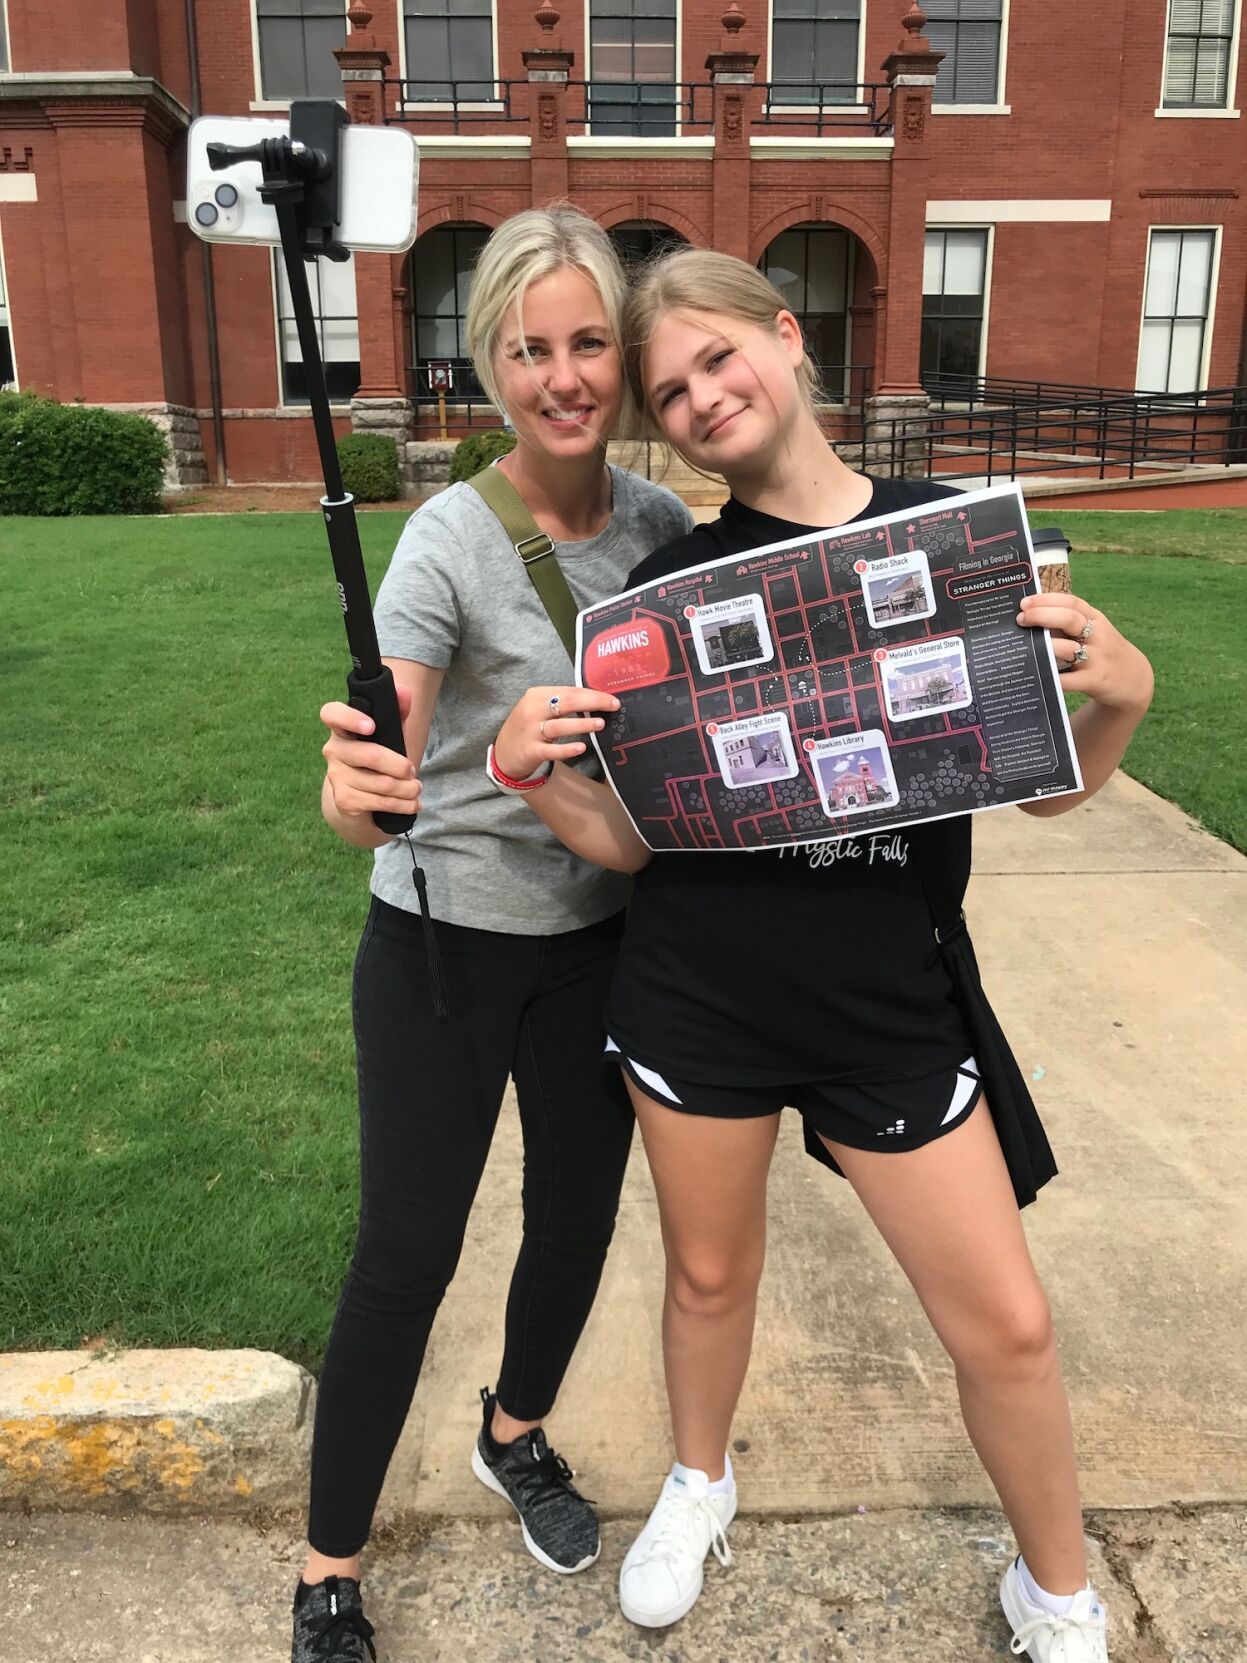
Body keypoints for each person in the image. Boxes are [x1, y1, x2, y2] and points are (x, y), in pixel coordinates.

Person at [492, 248, 1154, 1663]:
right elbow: (634, 843)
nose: (701, 398)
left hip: (887, 1002)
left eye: (717, 358)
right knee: (706, 1280)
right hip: (700, 1000)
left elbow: (1043, 787)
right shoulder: (665, 594)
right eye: (671, 392)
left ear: (787, 339)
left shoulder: (954, 539)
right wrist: (528, 773)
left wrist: (1123, 695)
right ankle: (700, 1481)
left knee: (1008, 1328)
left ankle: (1058, 1593)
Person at [290, 207, 692, 1663]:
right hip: (444, 949)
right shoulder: (447, 540)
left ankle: (513, 1431)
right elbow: (378, 765)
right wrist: (355, 788)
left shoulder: (664, 535)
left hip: (602, 943)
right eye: (531, 350)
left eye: (588, 344)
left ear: (622, 358)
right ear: (490, 367)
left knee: (577, 1220)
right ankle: (329, 1567)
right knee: (407, 1254)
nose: (563, 377)